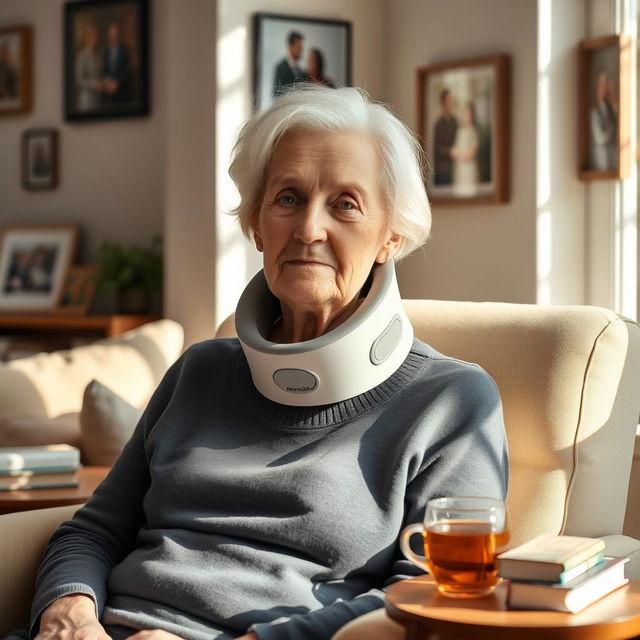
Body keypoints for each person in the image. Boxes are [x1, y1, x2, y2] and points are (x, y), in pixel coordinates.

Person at [13, 85, 507, 640]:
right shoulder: (198, 371)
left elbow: (431, 586)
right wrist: (68, 612)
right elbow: (94, 530)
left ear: (391, 235)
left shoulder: (451, 400)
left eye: (346, 203)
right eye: (287, 198)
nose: (309, 230)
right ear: (255, 224)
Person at [450, 101, 480, 197]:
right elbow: (453, 151)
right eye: (465, 113)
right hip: (460, 170)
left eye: (469, 114)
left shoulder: (474, 132)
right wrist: (459, 153)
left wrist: (460, 154)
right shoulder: (460, 131)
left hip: (469, 170)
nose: (466, 116)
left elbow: (472, 154)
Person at [590, 70, 617, 171]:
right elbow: (599, 138)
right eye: (601, 85)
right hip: (601, 160)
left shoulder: (611, 109)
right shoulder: (594, 112)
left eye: (605, 85)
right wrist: (611, 127)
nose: (604, 89)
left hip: (612, 158)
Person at [75, 23, 104, 111]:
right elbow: (79, 80)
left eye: (96, 35)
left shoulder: (100, 54)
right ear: (88, 37)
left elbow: (101, 74)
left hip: (98, 99)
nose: (95, 38)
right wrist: (94, 84)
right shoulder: (82, 56)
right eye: (93, 35)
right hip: (87, 101)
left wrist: (105, 82)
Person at [103, 20, 132, 104]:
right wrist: (107, 82)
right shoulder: (106, 51)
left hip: (122, 92)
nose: (113, 36)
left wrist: (117, 82)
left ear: (119, 34)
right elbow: (105, 69)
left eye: (115, 33)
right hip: (109, 94)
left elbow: (127, 70)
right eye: (111, 33)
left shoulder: (125, 50)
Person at [432, 88, 458, 185]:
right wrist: (450, 152)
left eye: (452, 101)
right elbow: (438, 148)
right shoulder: (439, 124)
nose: (450, 104)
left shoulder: (455, 122)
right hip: (443, 170)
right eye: (448, 101)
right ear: (443, 103)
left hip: (455, 167)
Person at [272, 31, 305, 97]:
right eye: (299, 47)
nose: (301, 50)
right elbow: (277, 94)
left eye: (301, 47)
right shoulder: (281, 68)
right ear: (290, 46)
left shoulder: (301, 71)